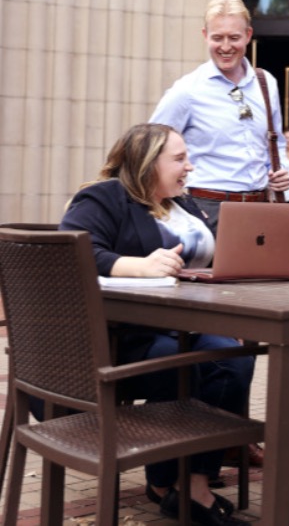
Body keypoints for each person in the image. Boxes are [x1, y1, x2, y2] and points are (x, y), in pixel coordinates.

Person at [59, 123, 254, 526]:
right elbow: (74, 249)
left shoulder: (185, 204)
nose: (190, 167)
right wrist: (139, 266)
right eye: (179, 159)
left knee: (235, 360)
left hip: (187, 322)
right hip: (126, 334)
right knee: (181, 361)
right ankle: (168, 484)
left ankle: (192, 481)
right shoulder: (106, 195)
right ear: (148, 164)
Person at [150, 0, 289, 232]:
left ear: (248, 35)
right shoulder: (186, 91)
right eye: (217, 38)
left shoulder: (267, 83)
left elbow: (278, 145)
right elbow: (150, 148)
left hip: (261, 207)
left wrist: (282, 170)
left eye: (234, 37)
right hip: (205, 209)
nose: (225, 47)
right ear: (205, 36)